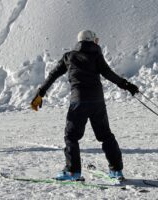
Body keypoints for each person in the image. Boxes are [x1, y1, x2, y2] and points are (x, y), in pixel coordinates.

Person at [31, 30, 139, 181]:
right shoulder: (96, 56)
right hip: (97, 101)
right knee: (105, 135)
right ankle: (116, 171)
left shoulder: (68, 57)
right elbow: (109, 73)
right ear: (91, 40)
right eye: (95, 39)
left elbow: (53, 75)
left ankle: (72, 171)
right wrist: (127, 85)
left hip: (79, 101)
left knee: (71, 136)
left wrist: (40, 93)